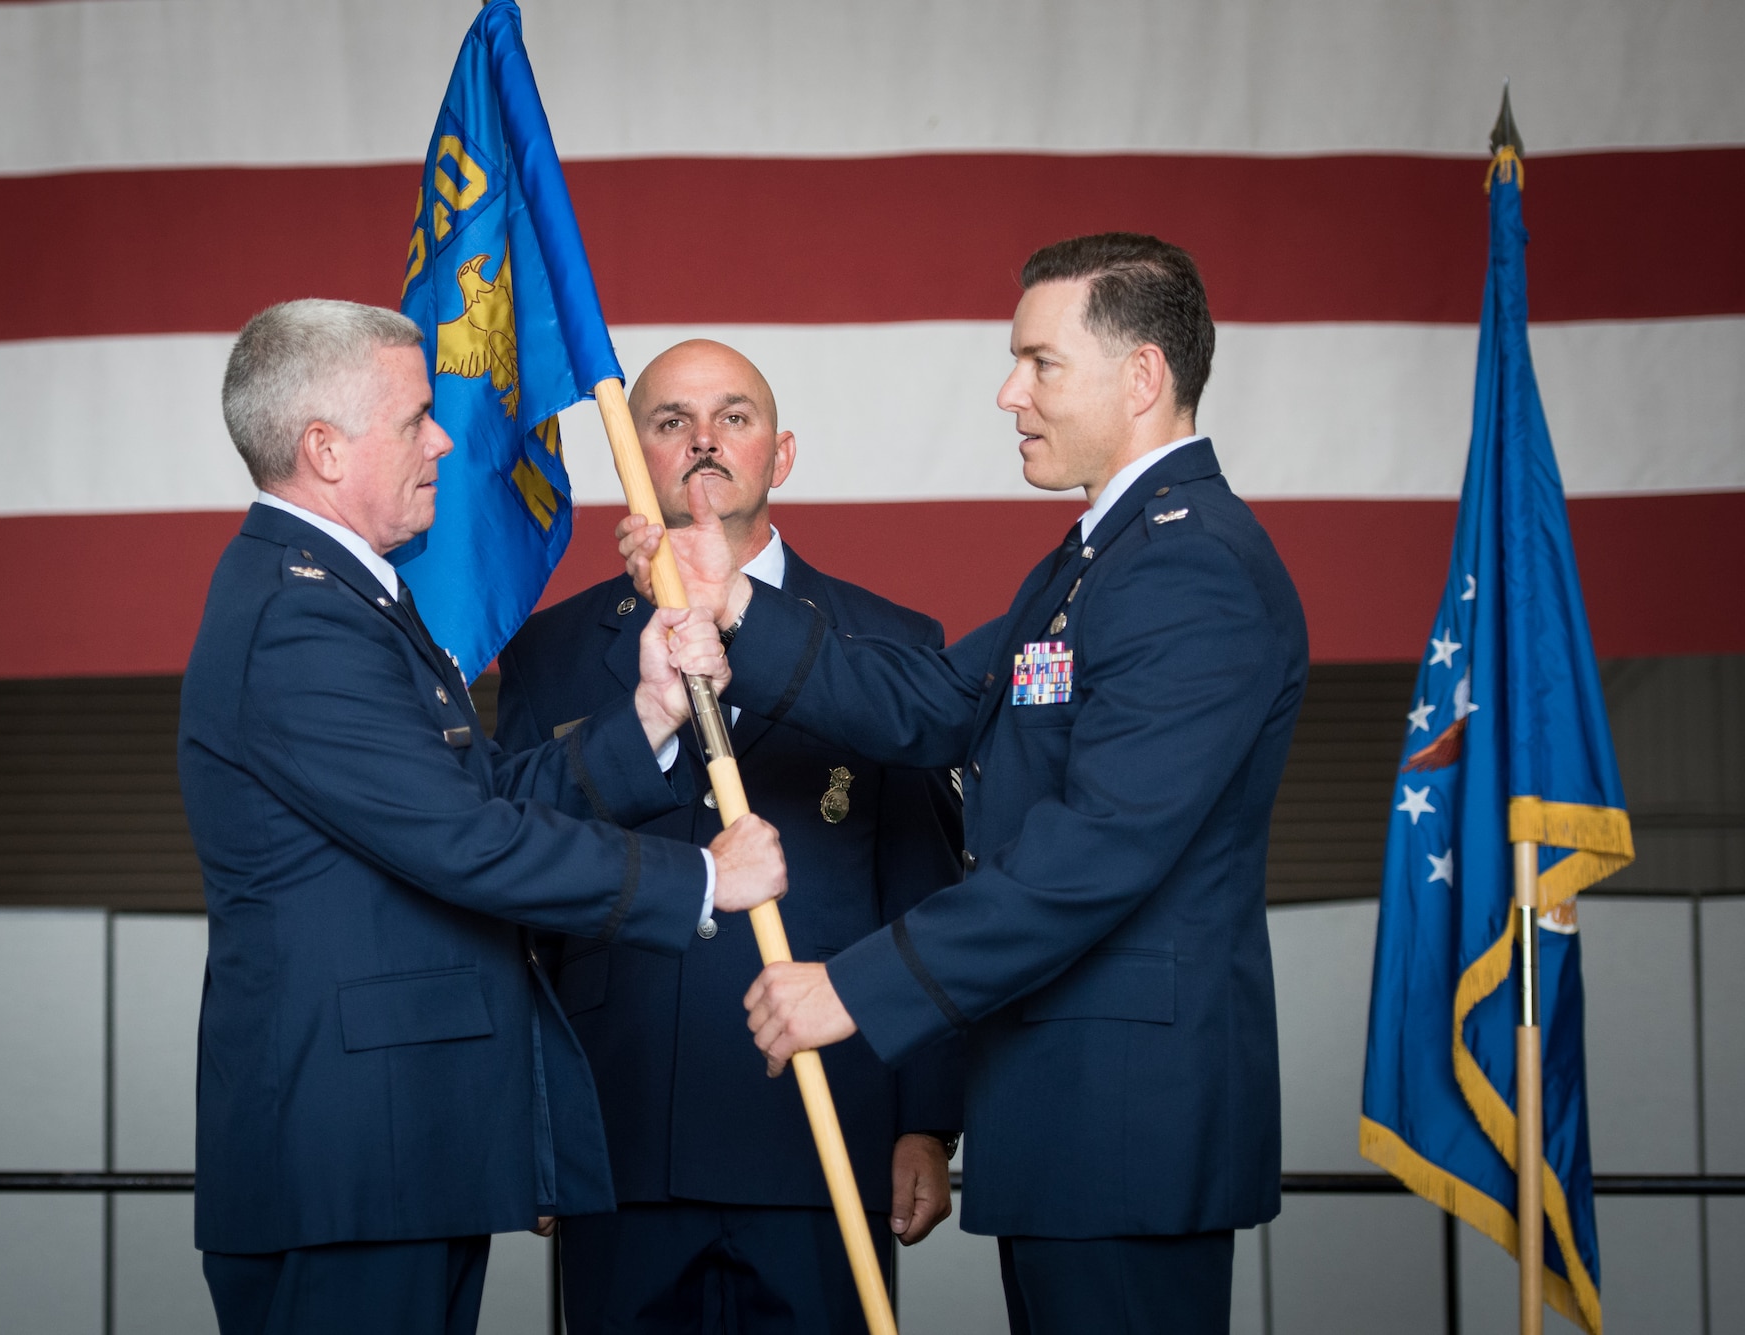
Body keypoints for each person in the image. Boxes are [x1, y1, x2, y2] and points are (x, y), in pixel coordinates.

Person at [620, 235, 1309, 1334]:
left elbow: (1096, 852)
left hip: (1125, 1114)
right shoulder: (1099, 558)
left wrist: (854, 988)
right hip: (1065, 1108)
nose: (1007, 393)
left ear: (1140, 377)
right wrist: (736, 605)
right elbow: (938, 703)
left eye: (1039, 363)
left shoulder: (1189, 567)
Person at [178, 299, 788, 1335]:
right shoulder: (298, 621)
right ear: (323, 450)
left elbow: (475, 796)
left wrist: (643, 714)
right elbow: (460, 844)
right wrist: (698, 881)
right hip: (350, 1160)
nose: (446, 438)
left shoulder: (342, 597)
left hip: (397, 1150)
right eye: (416, 417)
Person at [497, 340, 963, 1334]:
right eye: (668, 421)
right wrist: (533, 1121)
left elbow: (922, 888)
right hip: (619, 1129)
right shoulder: (549, 650)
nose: (701, 441)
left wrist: (925, 1118)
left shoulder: (888, 646)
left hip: (821, 1118)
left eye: (733, 417)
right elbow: (518, 890)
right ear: (637, 457)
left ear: (780, 455)